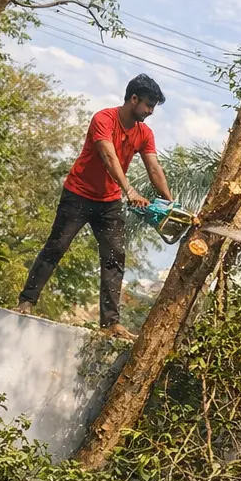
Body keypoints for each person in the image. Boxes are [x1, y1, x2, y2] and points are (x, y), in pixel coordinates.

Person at [17, 74, 173, 340]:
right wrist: (130, 190)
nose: (149, 112)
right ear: (133, 99)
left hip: (109, 202)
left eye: (153, 107)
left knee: (114, 258)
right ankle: (26, 303)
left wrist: (170, 204)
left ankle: (111, 324)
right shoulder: (104, 119)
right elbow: (108, 156)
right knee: (56, 247)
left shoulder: (144, 133)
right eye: (148, 105)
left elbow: (154, 168)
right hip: (78, 195)